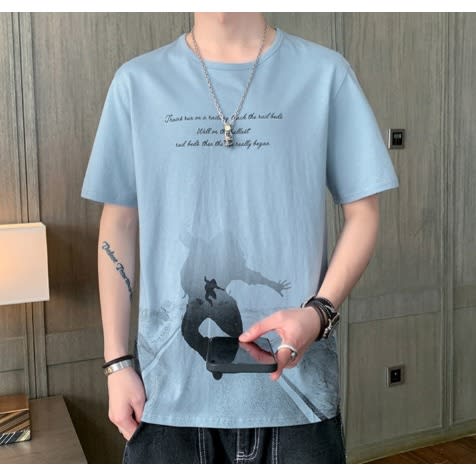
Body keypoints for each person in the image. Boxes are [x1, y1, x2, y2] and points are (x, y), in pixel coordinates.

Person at [81, 12, 399, 464]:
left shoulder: (325, 74)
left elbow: (363, 212)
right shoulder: (137, 83)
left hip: (297, 395)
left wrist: (319, 312)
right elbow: (119, 224)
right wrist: (117, 364)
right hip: (163, 398)